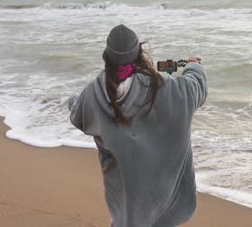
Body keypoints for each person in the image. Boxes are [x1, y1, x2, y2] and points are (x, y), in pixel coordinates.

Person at [68, 24, 207, 227]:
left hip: (126, 210)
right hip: (165, 204)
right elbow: (196, 86)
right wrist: (194, 66)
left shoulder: (93, 95)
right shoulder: (168, 88)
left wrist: (73, 101)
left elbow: (78, 112)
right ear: (139, 53)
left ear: (107, 57)